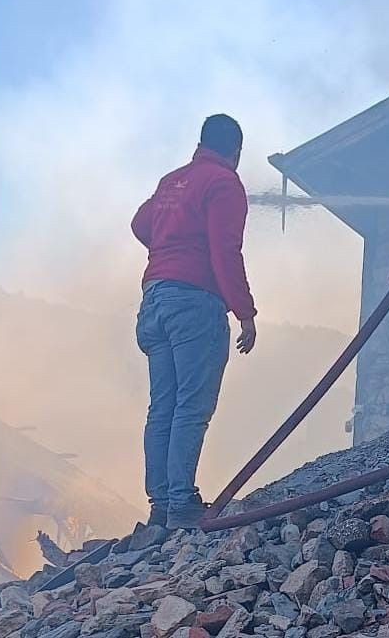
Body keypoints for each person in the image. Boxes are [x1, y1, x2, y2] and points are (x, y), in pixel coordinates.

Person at [131, 114, 257, 529]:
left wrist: (169, 247)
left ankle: (161, 505)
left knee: (162, 405)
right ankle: (183, 503)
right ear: (235, 151)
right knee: (191, 404)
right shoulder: (223, 184)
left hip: (154, 299)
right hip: (194, 303)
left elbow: (140, 224)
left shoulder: (173, 180)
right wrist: (245, 312)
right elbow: (225, 251)